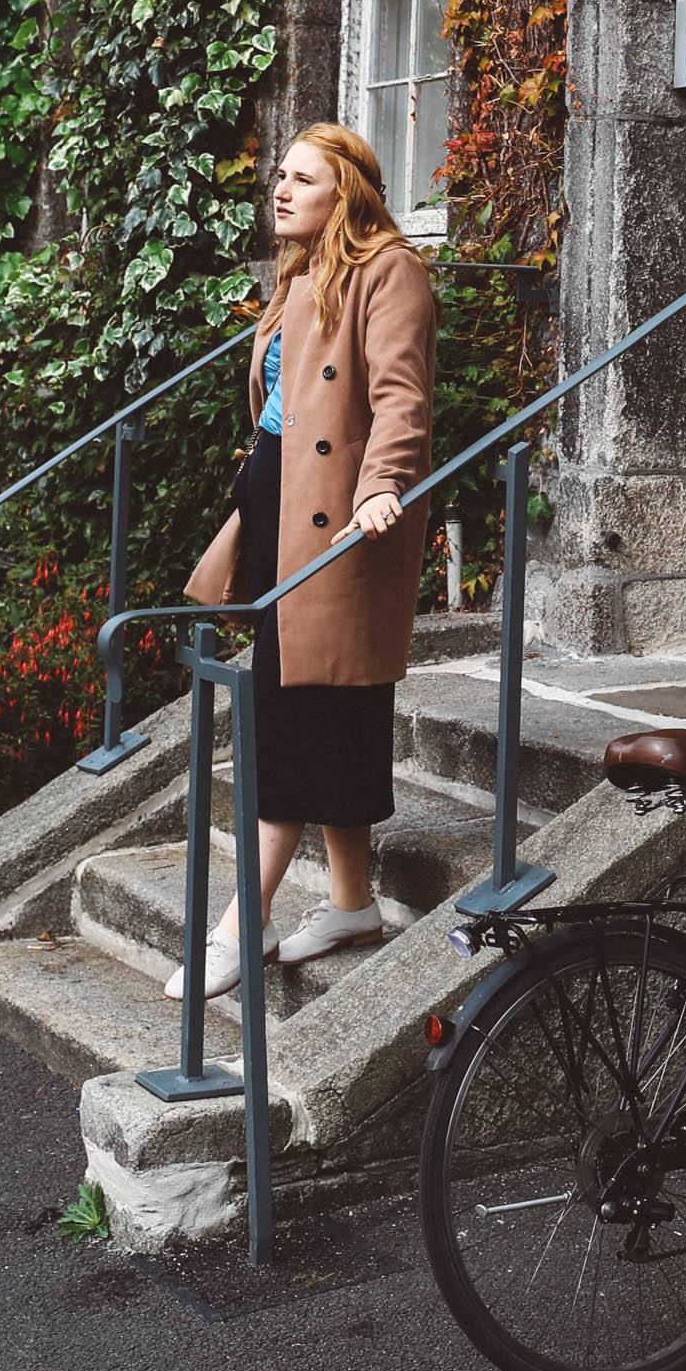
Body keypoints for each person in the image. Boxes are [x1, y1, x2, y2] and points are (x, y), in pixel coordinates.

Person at [166, 120, 436, 998]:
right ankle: (353, 901)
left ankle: (243, 924)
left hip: (341, 524)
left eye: (303, 180)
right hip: (278, 504)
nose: (281, 190)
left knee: (285, 719)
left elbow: (401, 399)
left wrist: (380, 487)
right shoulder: (302, 275)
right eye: (280, 176)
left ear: (344, 195)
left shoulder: (389, 270)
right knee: (337, 713)